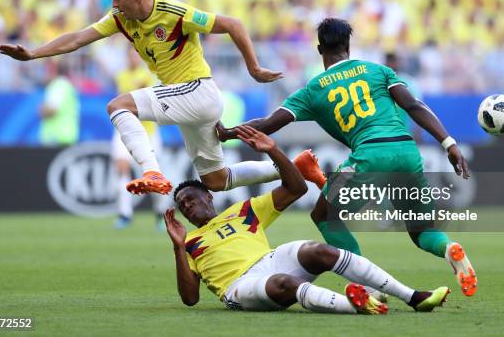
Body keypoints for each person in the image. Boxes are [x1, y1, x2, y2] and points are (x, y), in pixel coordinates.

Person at [217, 18, 477, 296]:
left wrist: (227, 133)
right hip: (407, 151)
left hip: (368, 155)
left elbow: (268, 124)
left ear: (320, 49)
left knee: (324, 216)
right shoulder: (379, 71)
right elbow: (414, 105)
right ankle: (449, 248)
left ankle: (367, 283)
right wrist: (448, 143)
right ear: (348, 46)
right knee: (422, 228)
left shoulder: (313, 90)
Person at [0, 0, 290, 196]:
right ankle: (291, 168)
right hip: (188, 100)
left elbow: (232, 24)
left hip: (198, 90)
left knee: (118, 106)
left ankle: (152, 171)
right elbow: (76, 39)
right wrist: (33, 54)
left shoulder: (174, 13)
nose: (114, 3)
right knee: (216, 180)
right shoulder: (119, 18)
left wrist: (253, 67)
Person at [165, 125, 450, 313]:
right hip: (239, 286)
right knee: (283, 283)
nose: (186, 206)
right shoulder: (190, 243)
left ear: (209, 197)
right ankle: (356, 306)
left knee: (318, 250)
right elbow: (190, 299)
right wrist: (178, 246)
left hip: (270, 261)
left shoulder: (243, 211)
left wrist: (273, 150)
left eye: (190, 199)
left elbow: (297, 188)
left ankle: (413, 297)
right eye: (181, 206)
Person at [112, 49, 167, 230]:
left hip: (148, 132)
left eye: (135, 54)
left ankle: (160, 214)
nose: (132, 58)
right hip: (125, 131)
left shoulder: (148, 75)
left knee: (153, 174)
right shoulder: (121, 76)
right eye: (130, 55)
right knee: (122, 169)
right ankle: (125, 214)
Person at [39, 59, 79, 146]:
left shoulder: (59, 85)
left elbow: (51, 110)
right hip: (64, 137)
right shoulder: (65, 84)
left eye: (47, 70)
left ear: (53, 70)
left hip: (57, 139)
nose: (44, 73)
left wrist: (41, 109)